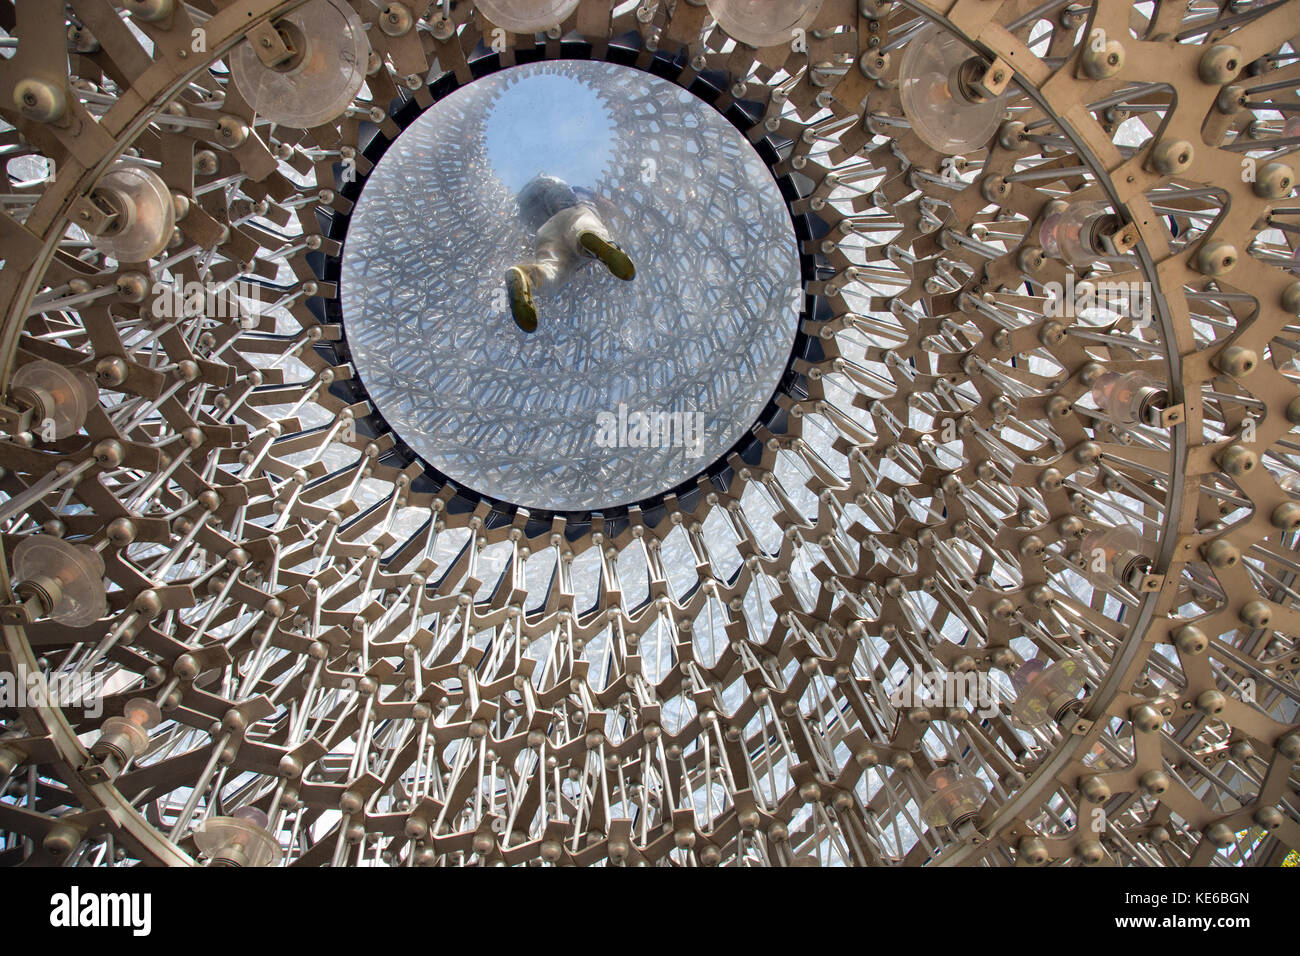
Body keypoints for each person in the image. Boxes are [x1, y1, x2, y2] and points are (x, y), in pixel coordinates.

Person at [504, 173, 635, 332]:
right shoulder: (581, 192)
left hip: (545, 230)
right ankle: (592, 238)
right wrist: (618, 213)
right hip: (574, 210)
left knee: (552, 269)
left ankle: (526, 276)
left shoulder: (533, 201)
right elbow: (608, 207)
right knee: (584, 226)